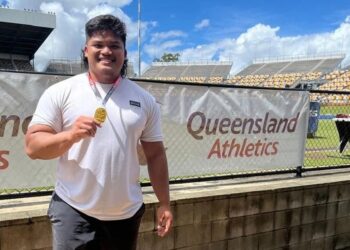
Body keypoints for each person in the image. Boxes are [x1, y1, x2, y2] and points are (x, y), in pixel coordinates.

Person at [25, 14, 172, 250]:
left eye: (115, 45)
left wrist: (164, 203)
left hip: (126, 215)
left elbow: (155, 155)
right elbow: (33, 147)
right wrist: (70, 135)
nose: (107, 51)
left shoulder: (144, 100)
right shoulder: (61, 92)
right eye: (98, 45)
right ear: (85, 50)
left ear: (124, 52)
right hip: (74, 211)